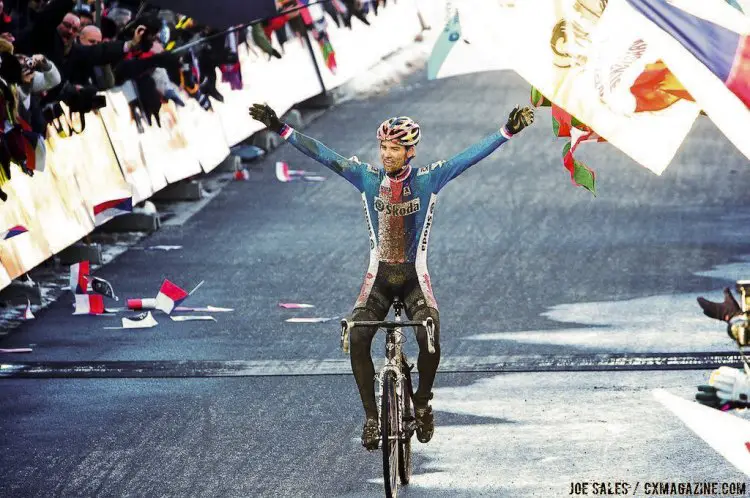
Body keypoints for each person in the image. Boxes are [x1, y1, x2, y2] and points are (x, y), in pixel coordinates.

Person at [250, 101, 534, 450]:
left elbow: (468, 157)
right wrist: (280, 128)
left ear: (410, 151)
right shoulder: (366, 178)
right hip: (379, 279)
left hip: (414, 278)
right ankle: (371, 418)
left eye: (395, 148)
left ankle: (423, 401)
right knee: (357, 337)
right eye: (383, 147)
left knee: (429, 332)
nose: (387, 154)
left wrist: (507, 130)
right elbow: (325, 155)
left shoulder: (430, 178)